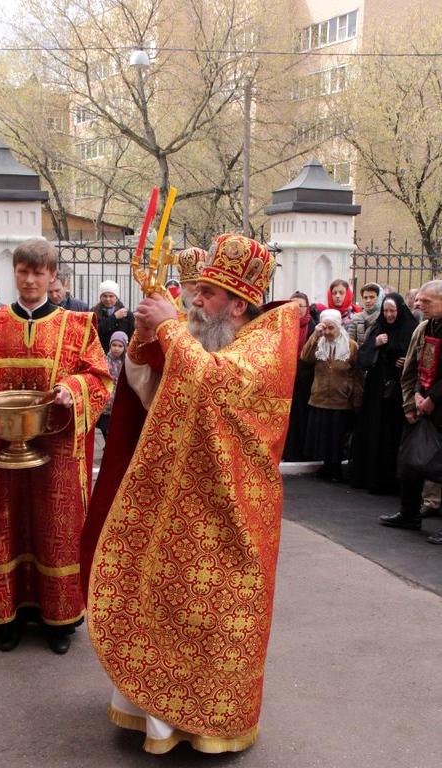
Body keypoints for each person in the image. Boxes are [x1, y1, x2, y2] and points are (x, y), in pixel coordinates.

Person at [86, 233, 299, 754]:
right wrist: (147, 335)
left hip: (234, 508)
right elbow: (163, 383)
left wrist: (169, 328)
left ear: (238, 302)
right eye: (195, 290)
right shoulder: (213, 333)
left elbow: (216, 385)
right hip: (180, 498)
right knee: (163, 605)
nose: (193, 299)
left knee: (215, 619)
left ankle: (208, 727)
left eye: (205, 292)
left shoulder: (269, 340)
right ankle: (152, 716)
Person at [0, 238, 111, 654]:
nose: (29, 280)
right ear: (16, 273)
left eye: (38, 273)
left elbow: (99, 378)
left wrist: (72, 389)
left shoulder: (78, 326)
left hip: (56, 451)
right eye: (23, 272)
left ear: (52, 276)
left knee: (55, 528)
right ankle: (5, 617)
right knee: (4, 525)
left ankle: (59, 619)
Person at [380, 279, 442, 541]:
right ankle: (409, 514)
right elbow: (420, 364)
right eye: (419, 301)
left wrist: (433, 399)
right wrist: (416, 394)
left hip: (438, 408)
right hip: (421, 404)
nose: (419, 305)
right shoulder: (427, 327)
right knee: (409, 463)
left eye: (426, 302)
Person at [350, 293, 417, 494]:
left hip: (398, 392)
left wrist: (407, 363)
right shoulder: (378, 328)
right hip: (376, 391)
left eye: (392, 311)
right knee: (373, 432)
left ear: (400, 310)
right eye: (386, 311)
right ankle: (371, 478)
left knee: (392, 434)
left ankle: (393, 481)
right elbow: (361, 359)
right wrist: (374, 344)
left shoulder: (411, 329)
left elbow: (418, 357)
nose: (388, 315)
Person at [301, 308, 363, 481]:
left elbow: (357, 375)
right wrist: (315, 334)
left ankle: (335, 468)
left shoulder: (351, 346)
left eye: (331, 328)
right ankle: (327, 466)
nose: (328, 332)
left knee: (337, 436)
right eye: (325, 328)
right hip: (320, 397)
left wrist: (357, 399)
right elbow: (305, 357)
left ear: (338, 327)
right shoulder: (318, 342)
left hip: (341, 399)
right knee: (323, 436)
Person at [282, 291, 316, 461]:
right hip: (287, 378)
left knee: (303, 415)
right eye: (293, 306)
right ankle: (288, 451)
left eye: (300, 306)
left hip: (306, 379)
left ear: (306, 307)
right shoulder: (283, 326)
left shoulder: (313, 327)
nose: (297, 310)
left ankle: (302, 452)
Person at [97, 330, 128, 440]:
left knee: (116, 427)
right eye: (114, 345)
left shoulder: (127, 362)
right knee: (105, 427)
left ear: (124, 347)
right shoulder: (105, 360)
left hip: (119, 400)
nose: (116, 348)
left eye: (120, 346)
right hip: (107, 400)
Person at [91, 279, 135, 353]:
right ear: (101, 297)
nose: (108, 299)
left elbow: (132, 336)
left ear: (116, 297)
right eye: (105, 296)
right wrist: (114, 317)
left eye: (111, 296)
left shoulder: (127, 315)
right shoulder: (94, 312)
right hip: (101, 354)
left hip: (121, 356)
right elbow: (94, 333)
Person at [347, 282, 384, 346]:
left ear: (379, 298)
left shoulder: (384, 317)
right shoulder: (356, 318)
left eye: (372, 297)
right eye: (365, 297)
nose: (368, 300)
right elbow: (351, 344)